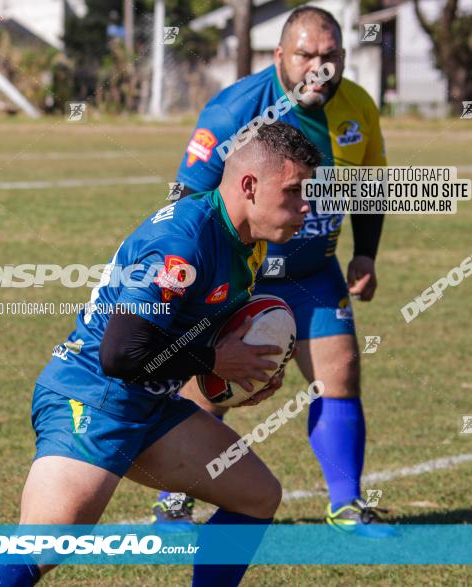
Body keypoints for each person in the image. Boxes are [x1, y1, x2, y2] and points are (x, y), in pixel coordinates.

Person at [0, 122, 321, 586]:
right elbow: (121, 352)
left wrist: (238, 377)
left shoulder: (249, 243)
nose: (305, 205)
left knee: (256, 495)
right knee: (43, 545)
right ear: (249, 186)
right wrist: (214, 363)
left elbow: (195, 333)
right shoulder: (182, 245)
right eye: (294, 191)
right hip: (92, 397)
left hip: (149, 404)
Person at [155, 6, 390, 536]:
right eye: (306, 55)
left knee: (341, 377)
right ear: (279, 55)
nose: (319, 67)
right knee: (211, 386)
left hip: (315, 271)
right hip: (242, 276)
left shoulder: (359, 108)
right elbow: (186, 198)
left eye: (330, 56)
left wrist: (366, 254)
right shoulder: (234, 109)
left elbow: (371, 188)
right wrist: (197, 282)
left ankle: (347, 504)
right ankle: (174, 499)